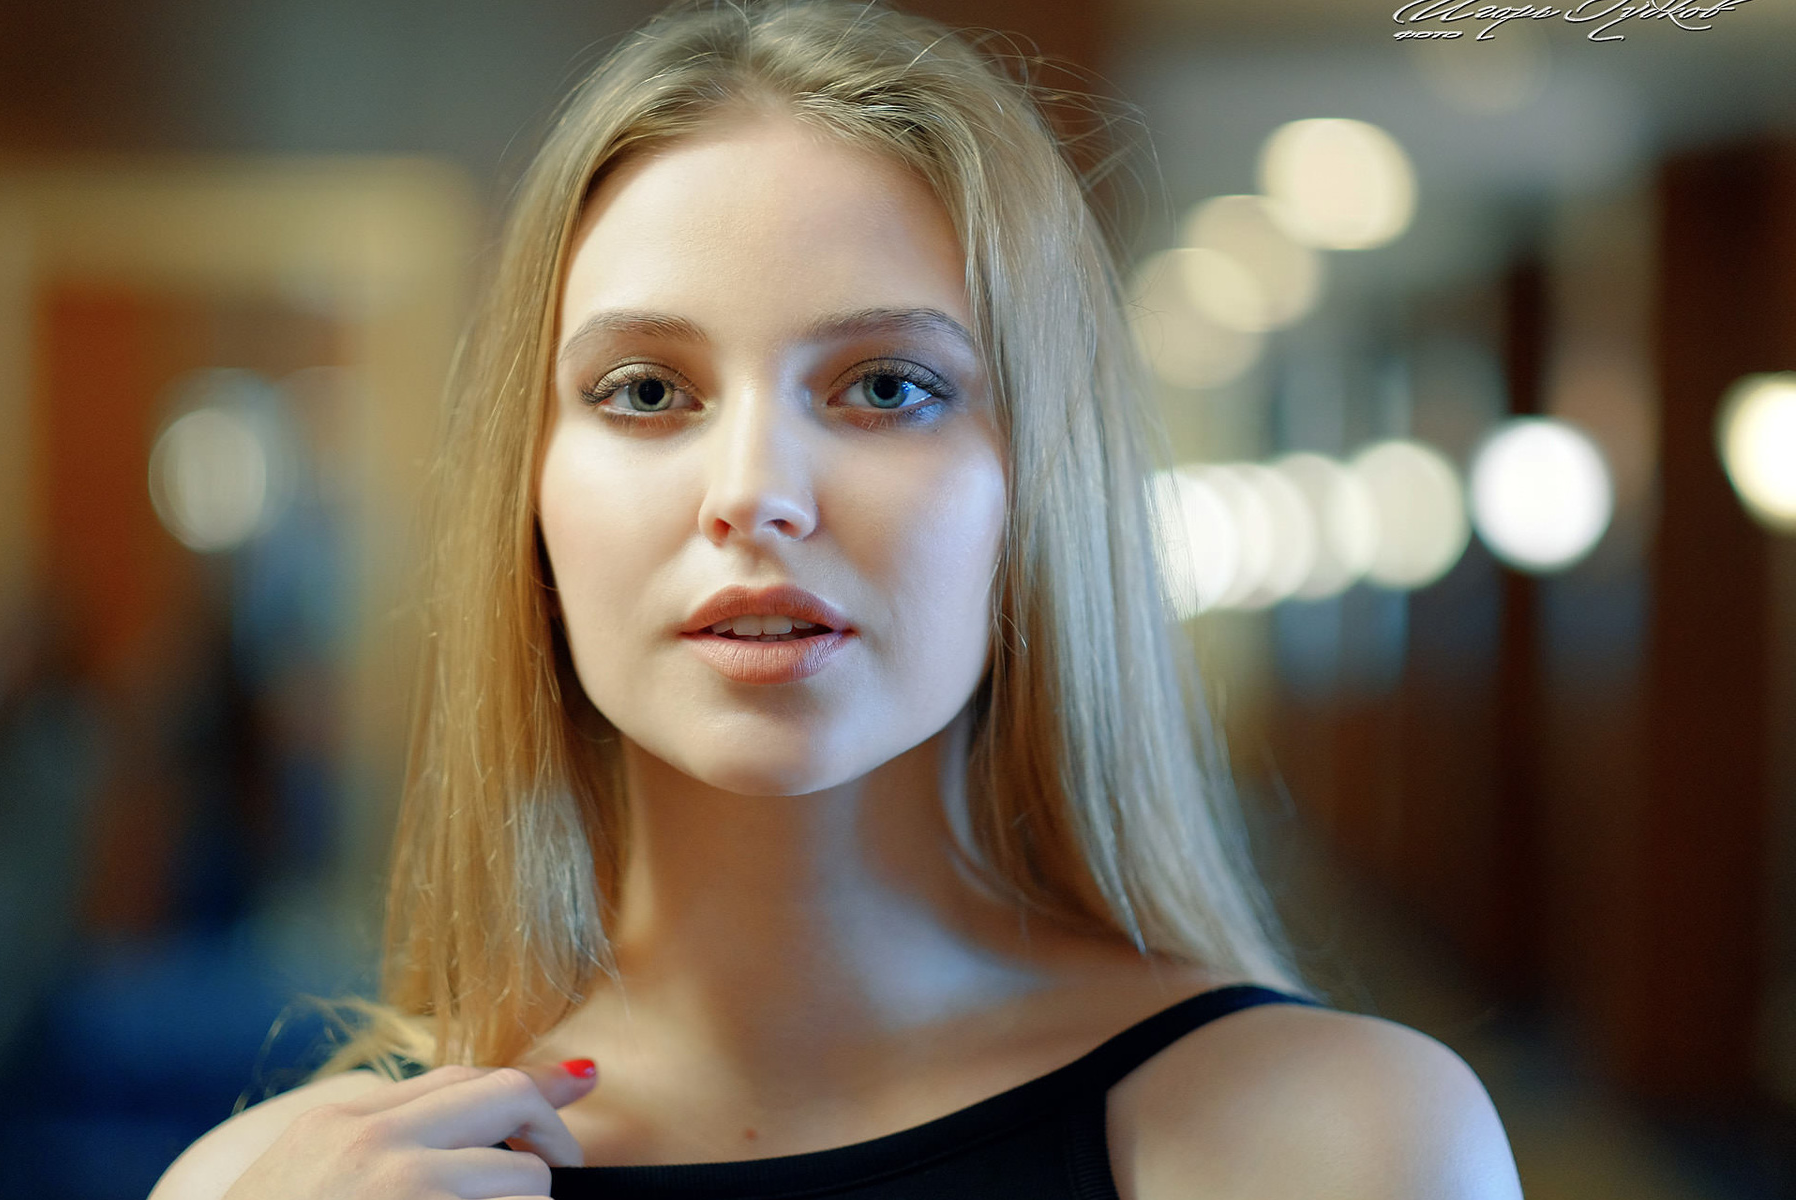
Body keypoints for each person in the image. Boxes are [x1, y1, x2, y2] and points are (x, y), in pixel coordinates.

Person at [151, 2, 1523, 1197]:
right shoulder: (270, 1182)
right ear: (532, 493)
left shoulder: (1338, 1144)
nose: (755, 494)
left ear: (1036, 495)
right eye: (646, 393)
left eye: (886, 388)